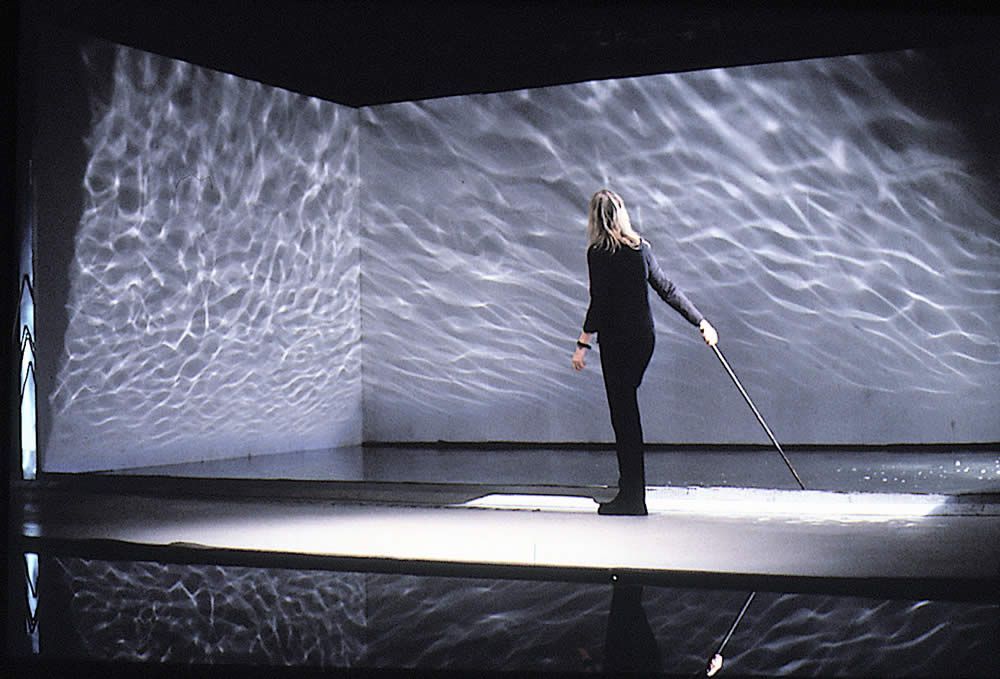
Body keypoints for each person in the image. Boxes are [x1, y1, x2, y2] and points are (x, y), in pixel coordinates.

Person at [572, 189, 717, 516]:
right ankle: (631, 493)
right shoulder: (641, 250)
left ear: (595, 218)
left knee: (623, 417)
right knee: (628, 412)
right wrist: (701, 322)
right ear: (622, 214)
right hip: (642, 341)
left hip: (616, 342)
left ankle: (632, 498)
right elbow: (667, 289)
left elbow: (599, 303)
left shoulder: (598, 253)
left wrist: (582, 344)